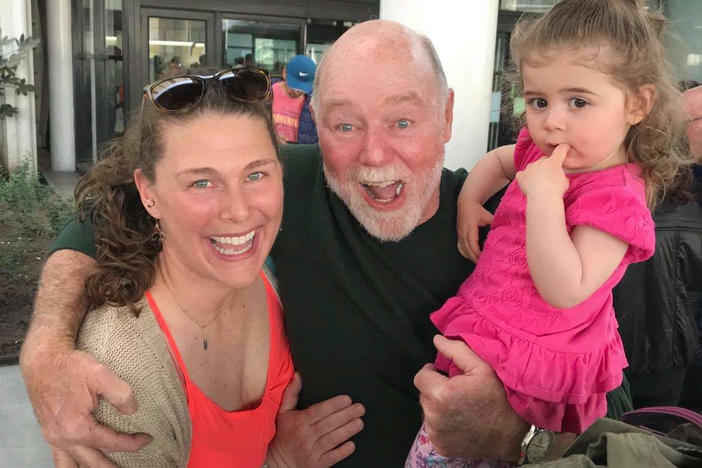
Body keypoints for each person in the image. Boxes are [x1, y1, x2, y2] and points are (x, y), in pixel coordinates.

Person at [21, 20, 635, 467]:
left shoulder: (524, 225)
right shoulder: (280, 186)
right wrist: (46, 348)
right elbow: (107, 216)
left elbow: (610, 401)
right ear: (317, 124)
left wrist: (511, 435)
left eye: (402, 120)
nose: (373, 154)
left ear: (447, 117)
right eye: (345, 124)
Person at [406, 0, 693, 466]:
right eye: (539, 101)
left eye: (578, 102)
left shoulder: (616, 198)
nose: (552, 121)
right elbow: (500, 160)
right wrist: (469, 199)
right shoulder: (539, 154)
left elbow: (566, 288)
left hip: (538, 363)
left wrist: (543, 201)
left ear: (637, 104)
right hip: (491, 330)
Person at [271, 55, 318, 144]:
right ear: (284, 73)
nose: (297, 92)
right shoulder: (266, 93)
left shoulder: (312, 102)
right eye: (294, 85)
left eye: (302, 88)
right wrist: (271, 136)